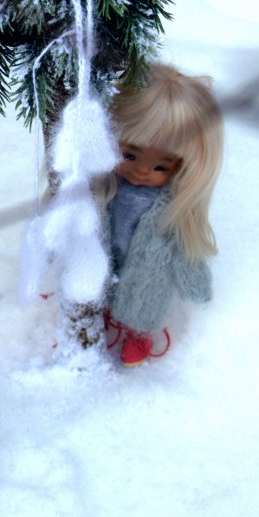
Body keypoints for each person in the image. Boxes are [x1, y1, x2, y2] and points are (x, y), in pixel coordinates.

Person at [99, 64, 224, 366]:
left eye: (160, 166)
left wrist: (197, 288)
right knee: (102, 283)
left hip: (147, 272)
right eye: (129, 154)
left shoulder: (171, 210)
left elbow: (185, 252)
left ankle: (137, 334)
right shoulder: (102, 191)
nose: (142, 170)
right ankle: (102, 312)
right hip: (108, 257)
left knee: (142, 300)